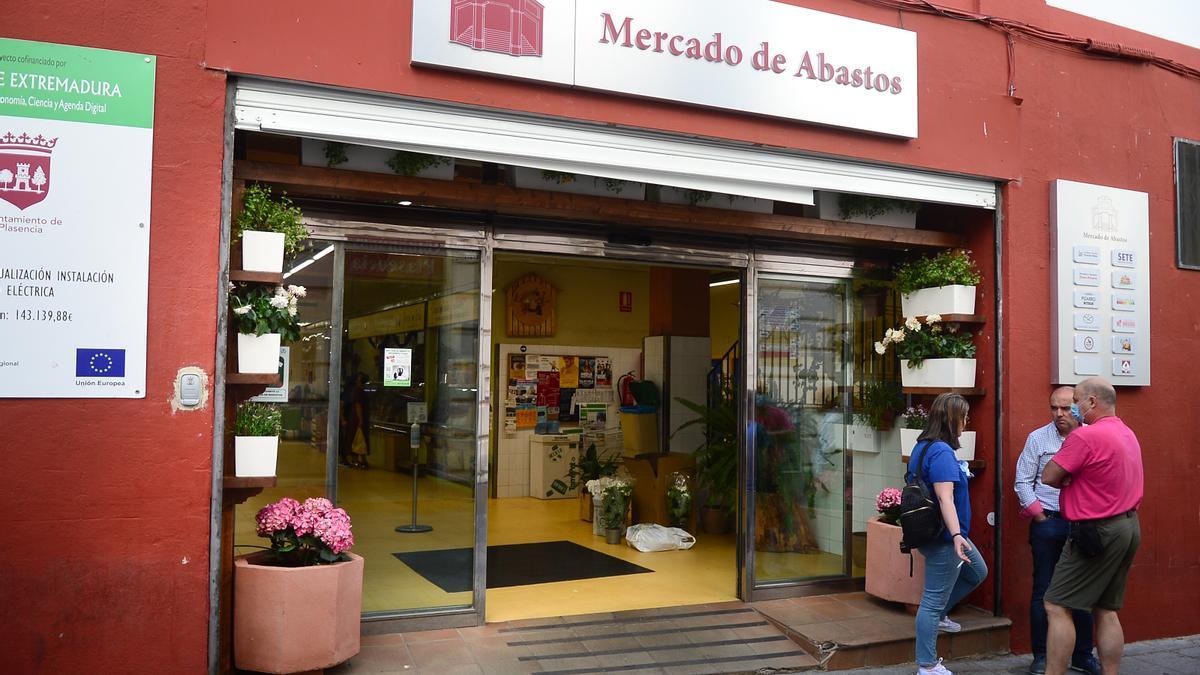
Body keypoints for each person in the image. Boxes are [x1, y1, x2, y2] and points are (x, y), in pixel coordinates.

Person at [1041, 378, 1143, 675]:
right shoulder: (1126, 432)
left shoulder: (1085, 437)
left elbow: (1049, 475)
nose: (1072, 407)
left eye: (1075, 400)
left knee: (1056, 605)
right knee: (1105, 608)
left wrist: (1068, 476)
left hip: (1096, 531)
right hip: (1127, 525)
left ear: (1092, 402)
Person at [1014, 387, 1101, 675]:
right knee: (1044, 589)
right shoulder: (1038, 438)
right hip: (1049, 522)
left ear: (1078, 408)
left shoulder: (1093, 435)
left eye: (1065, 408)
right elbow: (1023, 481)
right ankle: (1041, 655)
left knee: (1084, 591)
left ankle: (1083, 655)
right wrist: (1039, 515)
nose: (1059, 414)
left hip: (1083, 524)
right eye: (1054, 408)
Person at [910, 393, 989, 675]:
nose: (967, 422)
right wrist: (957, 536)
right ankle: (928, 665)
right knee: (931, 601)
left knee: (977, 571)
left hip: (933, 533)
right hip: (945, 537)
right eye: (964, 416)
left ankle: (940, 614)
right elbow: (945, 498)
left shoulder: (922, 446)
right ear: (953, 418)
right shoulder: (941, 451)